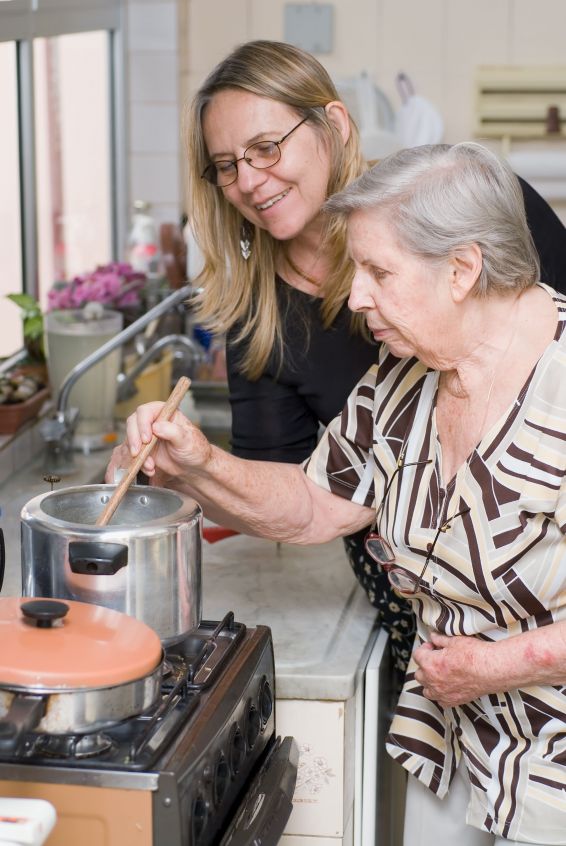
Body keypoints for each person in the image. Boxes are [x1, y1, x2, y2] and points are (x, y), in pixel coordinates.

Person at [110, 141, 566, 844]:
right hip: (459, 733)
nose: (355, 296)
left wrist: (500, 664)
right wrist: (201, 464)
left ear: (462, 269)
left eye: (379, 271)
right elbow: (319, 502)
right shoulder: (405, 375)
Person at [184, 40, 566, 688]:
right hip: (432, 618)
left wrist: (512, 658)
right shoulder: (382, 380)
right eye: (227, 164)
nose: (248, 180)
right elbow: (308, 495)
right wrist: (196, 468)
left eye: (267, 147)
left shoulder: (468, 211)